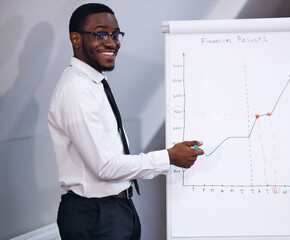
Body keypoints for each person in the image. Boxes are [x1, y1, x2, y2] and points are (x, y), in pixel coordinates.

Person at [47, 3, 204, 240]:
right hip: (96, 217)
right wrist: (169, 157)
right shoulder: (76, 90)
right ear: (76, 39)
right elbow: (104, 167)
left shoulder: (93, 85)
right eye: (100, 34)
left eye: (115, 34)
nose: (111, 42)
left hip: (116, 208)